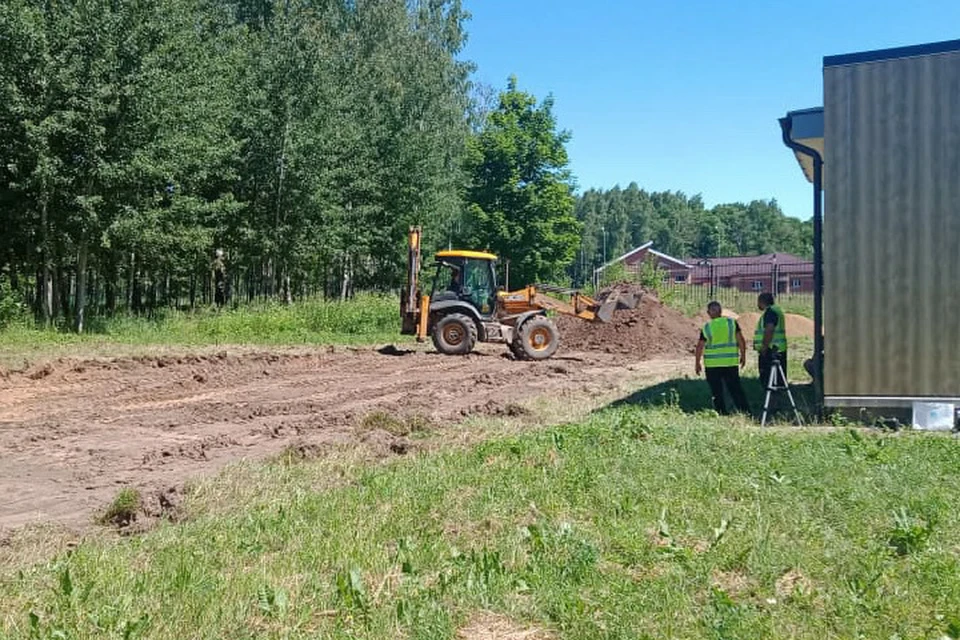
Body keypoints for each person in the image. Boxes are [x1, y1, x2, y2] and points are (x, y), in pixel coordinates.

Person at [695, 301, 750, 415]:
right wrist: (743, 356)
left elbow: (700, 346)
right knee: (735, 389)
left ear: (708, 313)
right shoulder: (731, 323)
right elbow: (741, 340)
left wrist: (697, 363)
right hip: (730, 362)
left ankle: (721, 412)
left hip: (712, 365)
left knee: (716, 391)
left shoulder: (707, 327)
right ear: (721, 311)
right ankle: (745, 411)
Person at [755, 292, 787, 388]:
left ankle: (772, 399)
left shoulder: (770, 312)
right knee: (778, 377)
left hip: (771, 349)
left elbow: (769, 329)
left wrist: (764, 346)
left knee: (769, 378)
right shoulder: (777, 311)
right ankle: (778, 397)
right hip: (778, 348)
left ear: (761, 301)